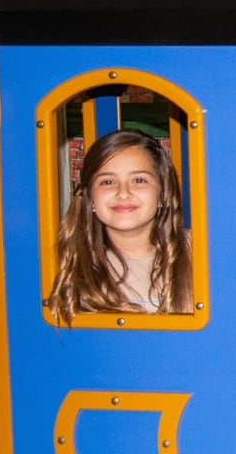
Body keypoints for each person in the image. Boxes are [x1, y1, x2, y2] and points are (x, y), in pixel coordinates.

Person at [49, 129, 193, 323]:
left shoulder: (198, 253)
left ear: (162, 193)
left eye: (139, 180)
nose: (123, 193)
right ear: (90, 198)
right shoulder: (69, 263)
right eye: (107, 182)